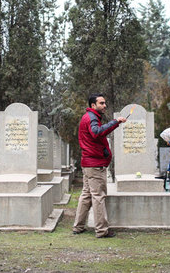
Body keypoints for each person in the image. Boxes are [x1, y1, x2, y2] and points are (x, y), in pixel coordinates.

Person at [72, 93, 126, 238]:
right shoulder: (91, 118)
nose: (104, 105)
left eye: (104, 103)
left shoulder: (90, 117)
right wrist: (115, 122)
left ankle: (78, 226)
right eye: (101, 103)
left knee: (87, 195)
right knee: (98, 196)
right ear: (93, 105)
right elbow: (97, 133)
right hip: (95, 164)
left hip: (89, 163)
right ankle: (102, 230)